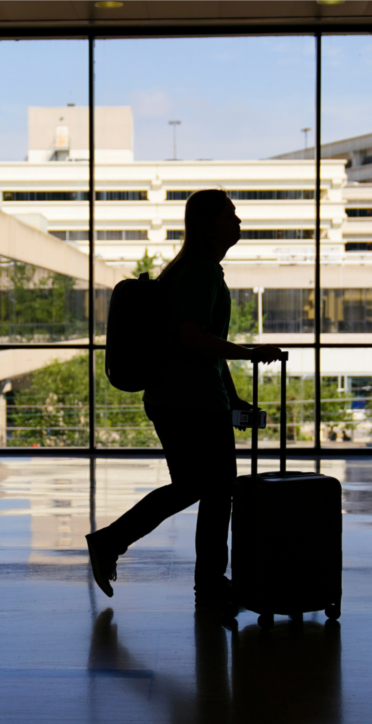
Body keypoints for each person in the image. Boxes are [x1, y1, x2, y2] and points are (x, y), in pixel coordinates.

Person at [86, 189, 282, 608]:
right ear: (209, 225)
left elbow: (207, 346)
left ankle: (126, 549)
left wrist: (232, 397)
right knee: (212, 490)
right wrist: (251, 353)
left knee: (199, 487)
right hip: (190, 402)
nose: (238, 221)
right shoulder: (200, 272)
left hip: (176, 399)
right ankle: (202, 581)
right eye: (230, 215)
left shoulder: (191, 269)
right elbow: (193, 339)